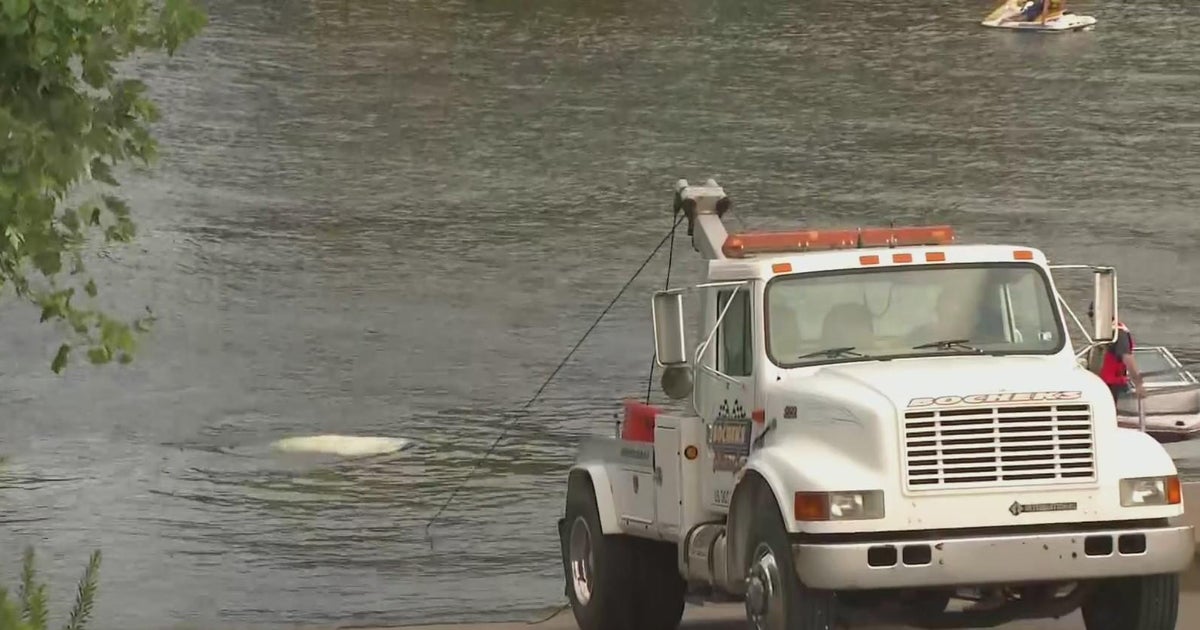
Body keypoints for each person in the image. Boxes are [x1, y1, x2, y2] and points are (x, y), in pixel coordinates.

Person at [1089, 301, 1146, 403]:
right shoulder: (1104, 332)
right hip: (1100, 384)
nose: (1091, 319)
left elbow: (1128, 359)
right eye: (1090, 315)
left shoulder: (1118, 334)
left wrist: (1138, 385)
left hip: (1112, 386)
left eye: (1092, 315)